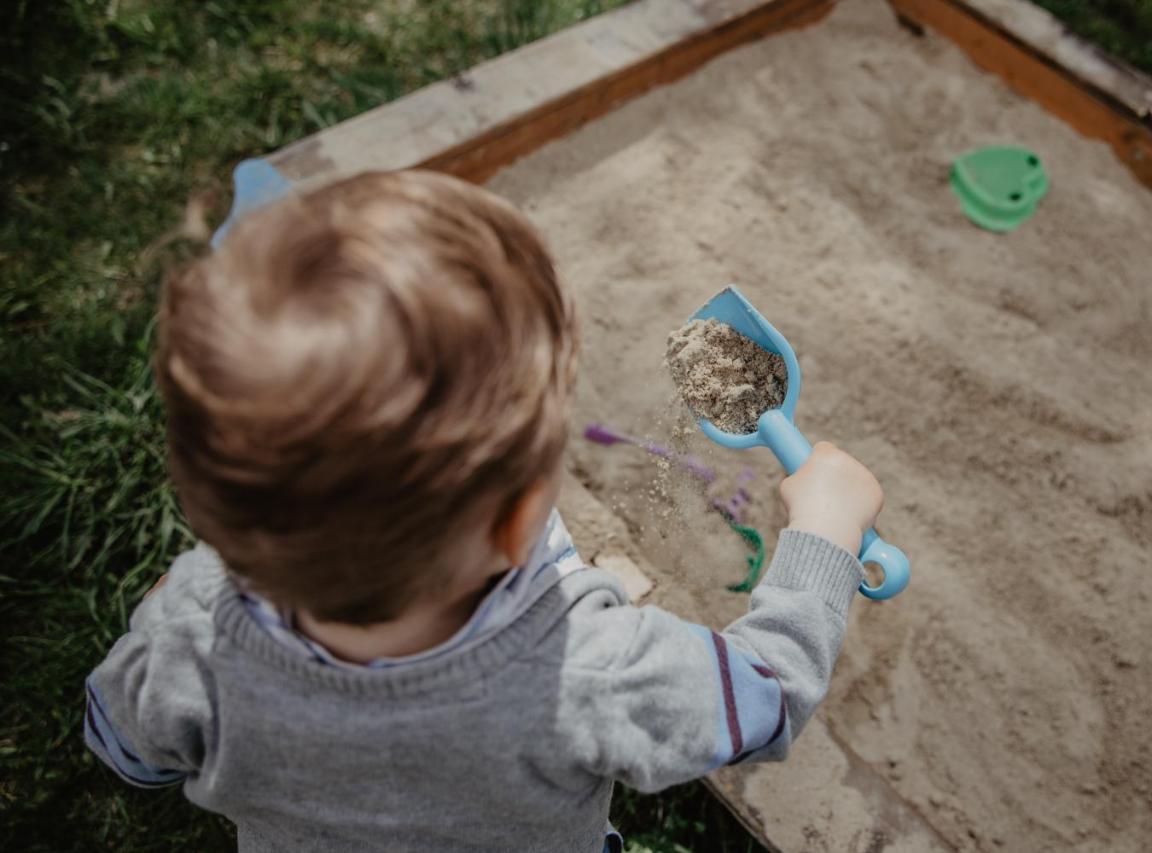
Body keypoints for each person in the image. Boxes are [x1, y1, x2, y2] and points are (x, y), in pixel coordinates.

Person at [84, 170, 885, 852]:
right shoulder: (589, 667)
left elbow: (125, 747)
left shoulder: (194, 632)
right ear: (518, 522)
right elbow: (765, 696)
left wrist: (173, 610)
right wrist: (824, 536)